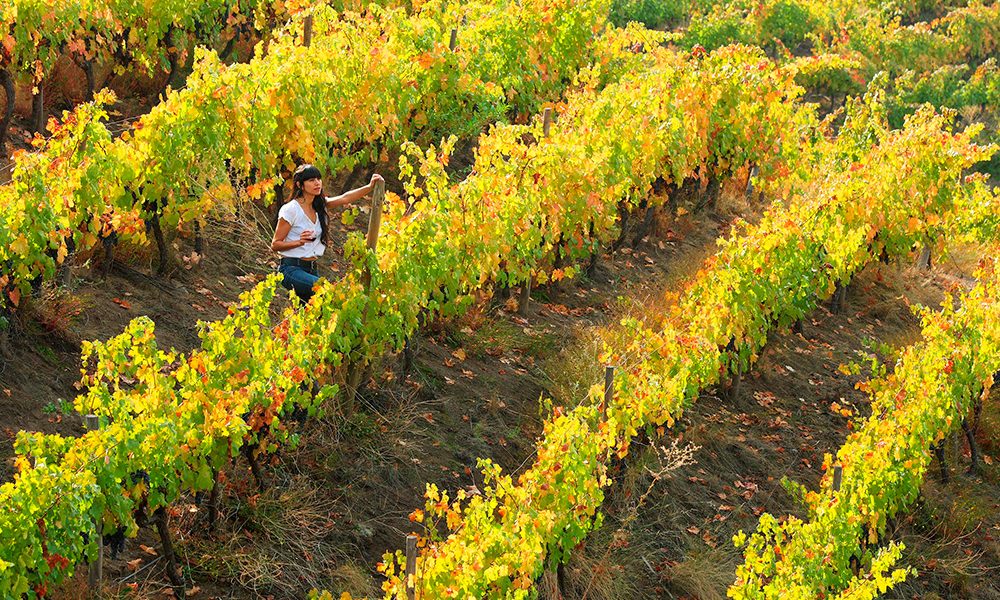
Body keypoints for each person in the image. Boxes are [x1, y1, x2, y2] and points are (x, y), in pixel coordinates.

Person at [271, 163, 384, 301]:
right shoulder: (291, 209)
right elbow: (275, 244)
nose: (317, 183)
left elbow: (345, 198)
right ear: (300, 185)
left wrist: (369, 187)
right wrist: (299, 242)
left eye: (318, 179)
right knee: (328, 291)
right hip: (291, 269)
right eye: (311, 180)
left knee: (314, 314)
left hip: (312, 269)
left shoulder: (319, 205)